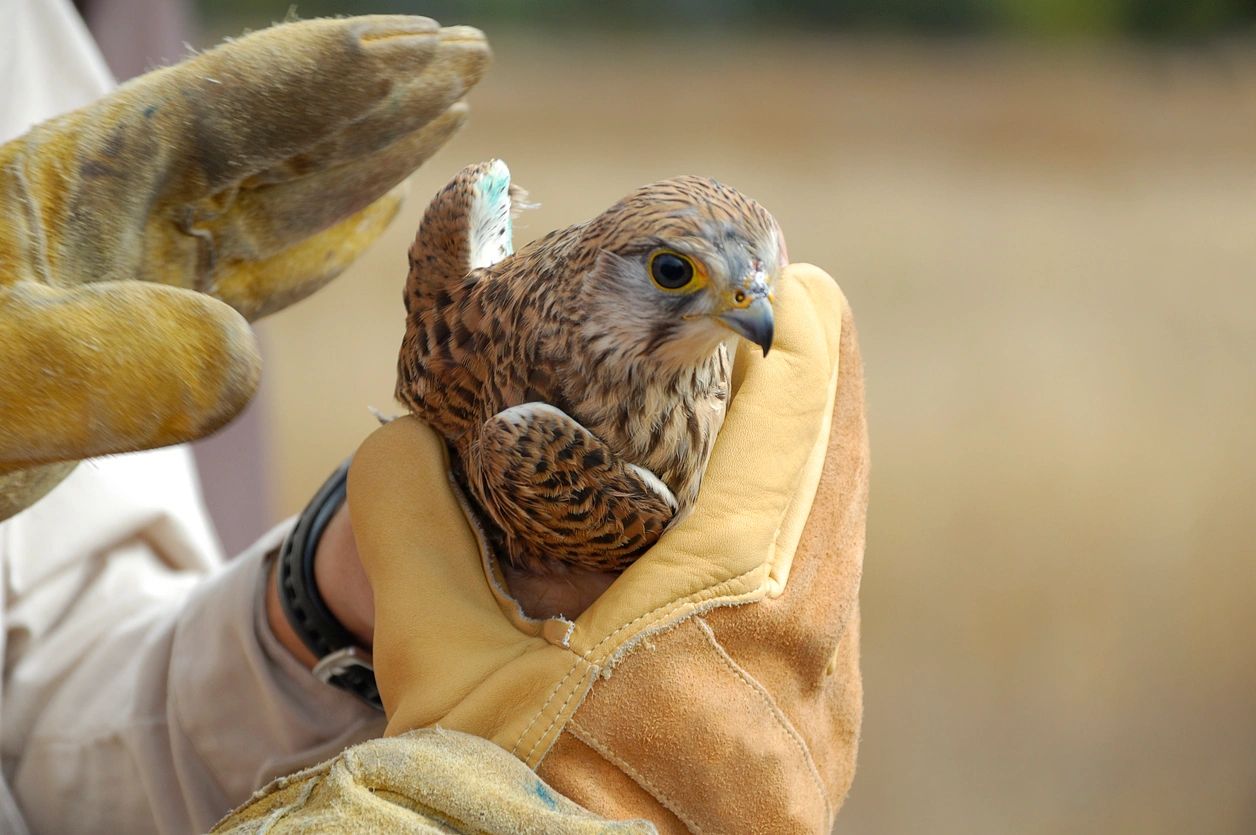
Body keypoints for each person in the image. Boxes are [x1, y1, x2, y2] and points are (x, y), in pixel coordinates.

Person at [1, 2, 867, 832]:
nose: (750, 313)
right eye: (677, 277)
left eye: (760, 283)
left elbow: (45, 688)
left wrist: (318, 611)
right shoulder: (553, 453)